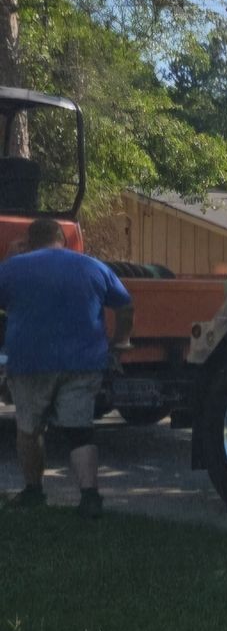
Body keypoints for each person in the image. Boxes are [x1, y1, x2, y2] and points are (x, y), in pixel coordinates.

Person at [2, 218, 132, 517]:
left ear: (29, 241)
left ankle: (34, 492)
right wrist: (120, 340)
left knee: (29, 430)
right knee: (80, 431)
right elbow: (125, 305)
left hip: (31, 362)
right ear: (62, 238)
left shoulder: (14, 267)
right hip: (83, 363)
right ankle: (90, 497)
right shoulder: (92, 267)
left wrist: (10, 257)